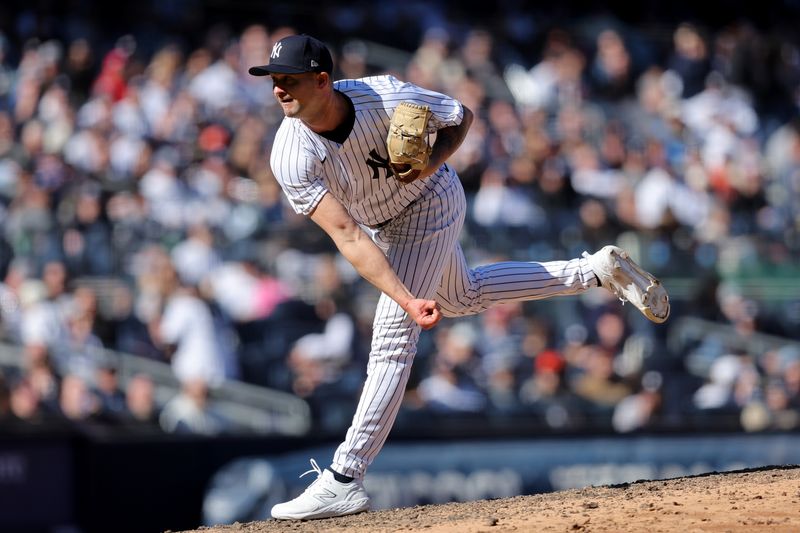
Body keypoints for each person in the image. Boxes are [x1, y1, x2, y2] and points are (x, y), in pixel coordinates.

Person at [249, 33, 670, 520]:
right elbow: (347, 236)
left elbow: (460, 115)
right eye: (273, 80)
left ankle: (346, 476)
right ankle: (595, 271)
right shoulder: (290, 153)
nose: (278, 89)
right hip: (377, 227)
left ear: (323, 80)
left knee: (391, 338)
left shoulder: (384, 95)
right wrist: (408, 296)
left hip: (431, 201)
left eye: (289, 80)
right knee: (464, 296)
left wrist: (431, 160)